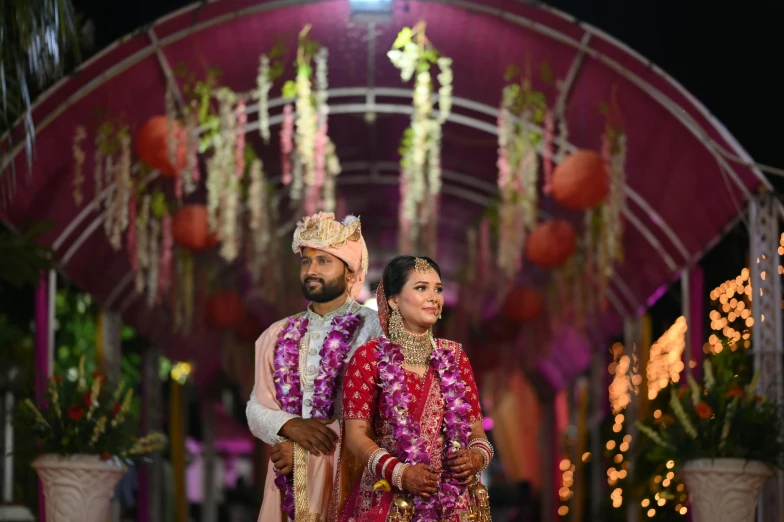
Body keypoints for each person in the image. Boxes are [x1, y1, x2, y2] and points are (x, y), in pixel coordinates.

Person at [246, 212, 384, 522]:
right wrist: (289, 426)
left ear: (350, 273)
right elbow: (255, 408)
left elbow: (386, 410)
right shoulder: (277, 333)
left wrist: (305, 450)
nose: (311, 270)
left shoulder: (375, 330)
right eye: (306, 261)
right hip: (288, 480)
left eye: (324, 261)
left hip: (352, 474)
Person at [338, 255, 494, 522]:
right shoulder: (368, 357)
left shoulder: (455, 357)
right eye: (421, 288)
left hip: (452, 500)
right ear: (393, 299)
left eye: (438, 289)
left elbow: (477, 430)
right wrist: (401, 473)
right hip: (390, 499)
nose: (434, 297)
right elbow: (355, 435)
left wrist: (477, 457)